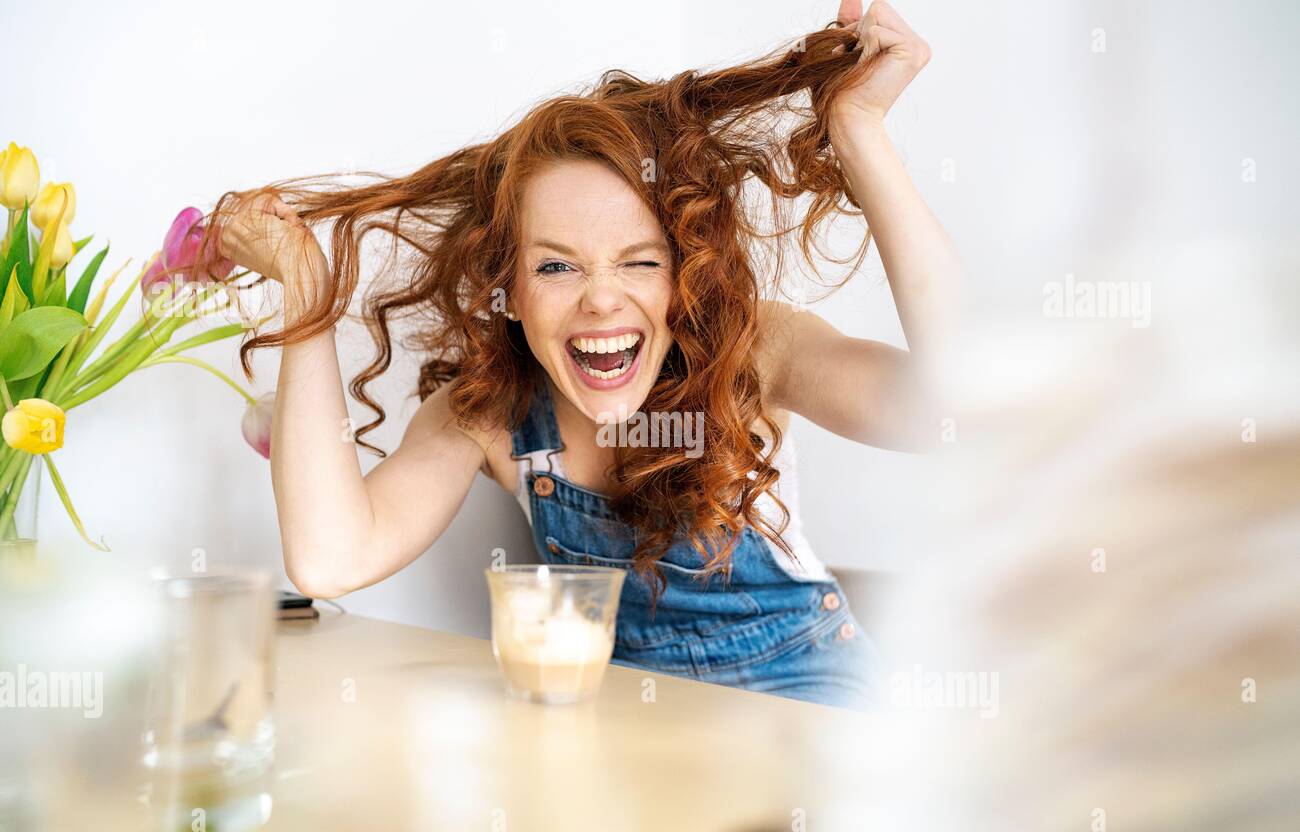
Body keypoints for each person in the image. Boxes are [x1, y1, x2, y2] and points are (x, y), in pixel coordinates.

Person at [208, 1, 961, 708]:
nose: (601, 300)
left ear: (684, 271)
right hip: (639, 730)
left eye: (639, 261)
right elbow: (330, 559)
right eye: (556, 266)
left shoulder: (758, 351)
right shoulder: (491, 415)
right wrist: (305, 293)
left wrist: (858, 129)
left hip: (819, 708)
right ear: (507, 285)